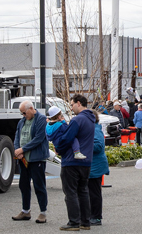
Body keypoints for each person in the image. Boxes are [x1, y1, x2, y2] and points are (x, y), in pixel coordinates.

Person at [55, 94, 97, 231]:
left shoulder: (77, 120)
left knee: (71, 192)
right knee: (83, 191)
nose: (71, 108)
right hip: (87, 161)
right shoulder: (91, 119)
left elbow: (67, 138)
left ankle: (74, 222)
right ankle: (85, 222)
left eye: (72, 105)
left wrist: (58, 149)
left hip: (72, 161)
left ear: (79, 103)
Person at [11, 101, 50, 224]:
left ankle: (43, 212)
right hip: (23, 159)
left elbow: (38, 138)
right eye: (21, 113)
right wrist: (18, 150)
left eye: (24, 112)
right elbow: (17, 136)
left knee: (39, 185)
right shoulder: (21, 121)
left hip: (36, 158)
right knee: (23, 185)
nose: (23, 115)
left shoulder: (41, 119)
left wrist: (23, 149)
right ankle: (25, 210)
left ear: (31, 109)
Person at [88, 116, 110, 226]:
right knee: (91, 192)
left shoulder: (96, 130)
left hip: (95, 166)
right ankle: (92, 215)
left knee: (94, 192)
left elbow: (98, 146)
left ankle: (96, 217)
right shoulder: (94, 129)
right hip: (93, 165)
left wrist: (84, 145)